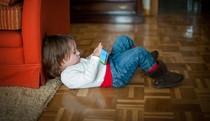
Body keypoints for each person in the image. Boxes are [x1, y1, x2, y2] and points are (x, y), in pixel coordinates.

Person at [42, 34, 184, 89]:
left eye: (76, 49)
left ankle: (144, 62)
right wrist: (96, 58)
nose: (78, 53)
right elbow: (89, 77)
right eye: (74, 52)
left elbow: (94, 64)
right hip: (115, 75)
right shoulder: (68, 77)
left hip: (110, 64)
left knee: (123, 40)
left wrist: (98, 55)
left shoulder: (73, 63)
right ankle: (159, 75)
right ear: (60, 62)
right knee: (139, 52)